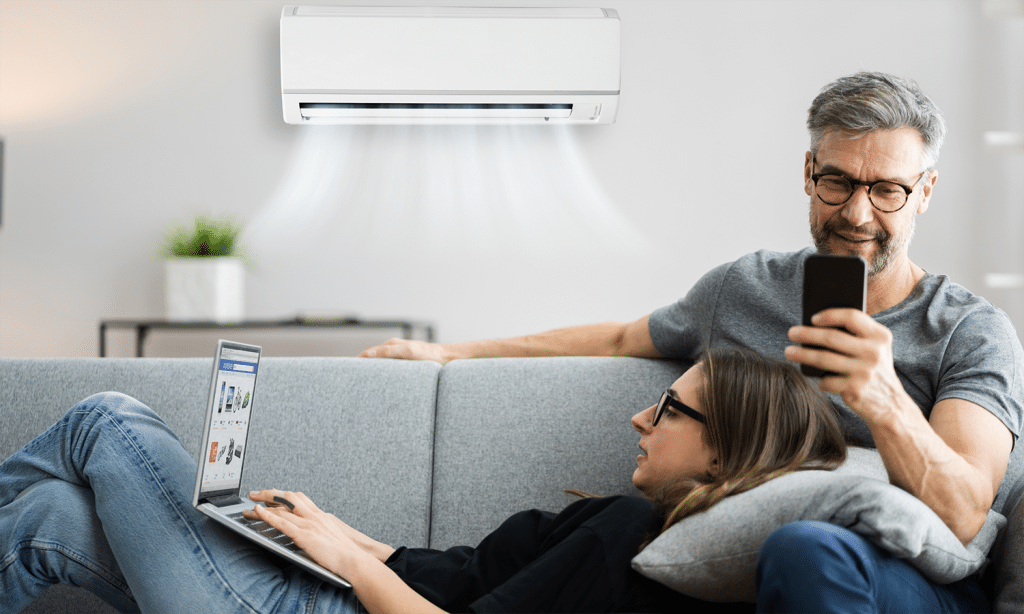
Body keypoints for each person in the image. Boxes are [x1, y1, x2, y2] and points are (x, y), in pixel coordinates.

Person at [360, 71, 1024, 612]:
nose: (856, 213)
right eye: (838, 182)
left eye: (887, 191)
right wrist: (450, 354)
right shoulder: (745, 288)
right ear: (807, 173)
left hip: (905, 583)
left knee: (804, 552)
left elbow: (965, 513)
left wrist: (884, 402)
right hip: (732, 564)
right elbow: (623, 336)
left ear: (925, 192)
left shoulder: (969, 331)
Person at [4, 347, 842, 613]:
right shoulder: (631, 527)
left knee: (108, 416)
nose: (640, 417)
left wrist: (347, 560)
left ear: (726, 454)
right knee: (48, 517)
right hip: (321, 590)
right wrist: (341, 535)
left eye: (669, 408)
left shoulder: (635, 547)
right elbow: (454, 574)